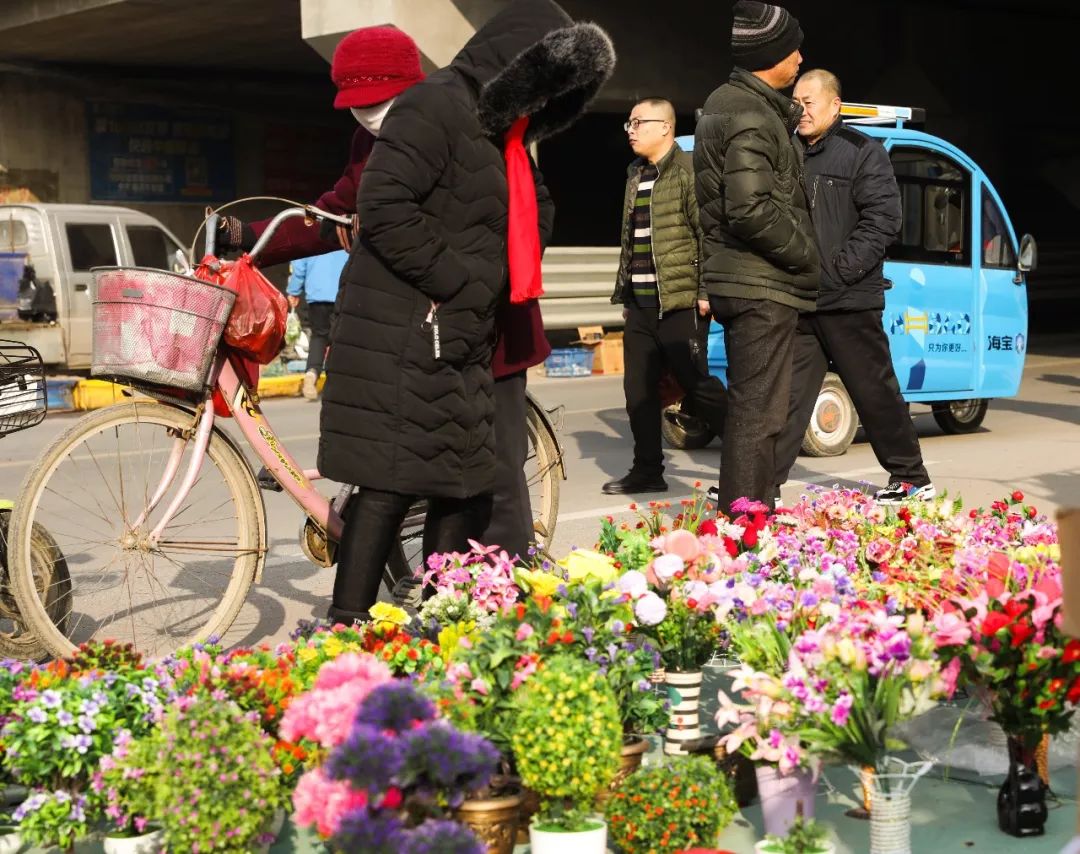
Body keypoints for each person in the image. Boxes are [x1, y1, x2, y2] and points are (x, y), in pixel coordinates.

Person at [318, 1, 615, 623]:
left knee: (462, 480)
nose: (543, 102)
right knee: (390, 483)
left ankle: (436, 615)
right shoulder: (435, 105)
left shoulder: (504, 135)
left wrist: (524, 205)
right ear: (514, 67)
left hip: (458, 332)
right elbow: (386, 203)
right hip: (406, 325)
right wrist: (459, 283)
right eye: (541, 85)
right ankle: (345, 628)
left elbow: (528, 218)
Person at [773, 69, 935, 504]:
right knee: (787, 399)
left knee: (873, 391)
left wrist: (840, 271)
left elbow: (883, 220)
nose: (800, 110)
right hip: (802, 300)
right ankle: (759, 488)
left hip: (849, 299)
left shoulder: (862, 153)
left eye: (809, 102)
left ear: (834, 105)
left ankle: (911, 480)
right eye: (795, 102)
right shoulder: (787, 152)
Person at [694, 0, 819, 516]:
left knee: (762, 410)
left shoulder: (736, 103)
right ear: (772, 55)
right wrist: (806, 250)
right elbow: (748, 208)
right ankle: (744, 526)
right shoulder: (751, 112)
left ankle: (754, 517)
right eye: (794, 48)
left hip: (744, 278)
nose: (800, 58)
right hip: (758, 282)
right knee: (758, 414)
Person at [603, 98, 728, 495]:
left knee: (696, 384)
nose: (631, 129)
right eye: (630, 122)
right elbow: (632, 242)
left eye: (639, 122)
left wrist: (706, 292)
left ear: (666, 128)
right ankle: (648, 471)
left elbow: (710, 234)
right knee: (637, 391)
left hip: (681, 302)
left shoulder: (689, 172)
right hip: (640, 304)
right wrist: (627, 296)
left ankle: (749, 455)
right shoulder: (634, 174)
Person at [286, 250, 348, 400]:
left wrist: (294, 291)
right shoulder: (345, 234)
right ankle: (338, 382)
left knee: (319, 337)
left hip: (317, 296)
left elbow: (299, 266)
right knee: (341, 339)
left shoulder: (312, 235)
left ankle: (312, 374)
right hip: (343, 295)